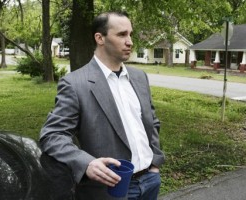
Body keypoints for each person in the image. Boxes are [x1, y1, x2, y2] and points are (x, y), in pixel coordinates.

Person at [39, 11, 165, 200]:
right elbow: (52, 135)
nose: (130, 41)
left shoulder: (139, 77)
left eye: (130, 34)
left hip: (150, 181)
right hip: (109, 190)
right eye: (122, 35)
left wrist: (155, 161)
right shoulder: (75, 84)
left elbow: (152, 122)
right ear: (100, 38)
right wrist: (86, 163)